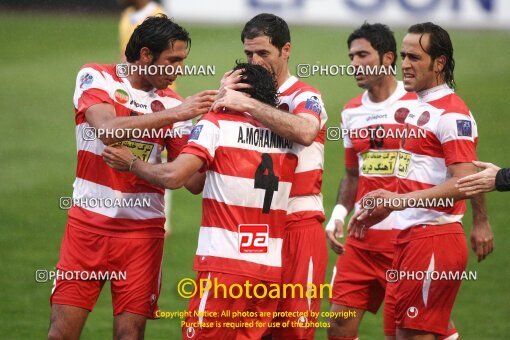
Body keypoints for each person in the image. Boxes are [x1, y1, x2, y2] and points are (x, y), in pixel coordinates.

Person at [47, 16, 216, 340]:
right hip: (87, 227)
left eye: (183, 61)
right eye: (173, 61)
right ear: (145, 55)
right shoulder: (97, 77)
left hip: (142, 235)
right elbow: (107, 130)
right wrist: (177, 115)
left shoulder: (172, 103)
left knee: (130, 335)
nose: (179, 69)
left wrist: (212, 127)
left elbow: (193, 181)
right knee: (62, 333)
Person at [102, 62, 299, 339]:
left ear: (237, 93)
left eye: (224, 87)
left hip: (224, 268)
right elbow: (198, 182)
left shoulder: (216, 125)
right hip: (268, 271)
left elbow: (174, 176)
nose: (218, 94)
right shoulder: (285, 136)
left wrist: (132, 163)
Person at [348, 22, 493, 339]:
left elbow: (467, 180)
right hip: (407, 238)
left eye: (415, 57)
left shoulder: (452, 114)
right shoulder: (415, 107)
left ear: (439, 63)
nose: (405, 65)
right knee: (416, 333)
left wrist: (399, 202)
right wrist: (390, 203)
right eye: (403, 56)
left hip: (433, 239)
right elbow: (426, 173)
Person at [325, 23, 464, 340]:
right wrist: (337, 216)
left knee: (414, 329)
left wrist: (481, 221)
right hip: (361, 240)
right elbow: (351, 175)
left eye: (363, 54)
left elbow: (464, 166)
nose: (355, 64)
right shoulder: (350, 113)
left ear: (388, 58)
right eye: (351, 56)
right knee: (338, 326)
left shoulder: (419, 103)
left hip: (404, 236)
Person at [213, 13, 328, 339]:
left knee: (293, 332)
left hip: (297, 226)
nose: (255, 61)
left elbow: (305, 131)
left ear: (286, 49)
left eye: (264, 53)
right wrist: (220, 102)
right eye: (249, 54)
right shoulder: (238, 96)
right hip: (253, 231)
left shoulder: (305, 96)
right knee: (248, 332)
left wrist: (247, 104)